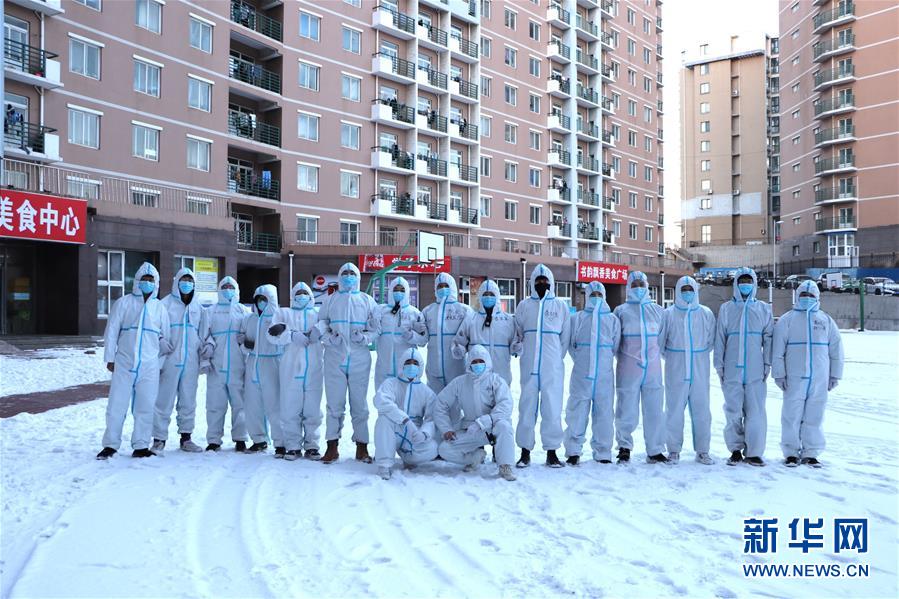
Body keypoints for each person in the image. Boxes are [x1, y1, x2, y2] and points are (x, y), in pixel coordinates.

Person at [97, 263, 172, 459]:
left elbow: (165, 335)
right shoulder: (124, 303)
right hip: (124, 362)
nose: (147, 283)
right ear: (137, 281)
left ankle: (140, 445)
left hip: (149, 365)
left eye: (151, 280)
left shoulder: (159, 308)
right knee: (117, 404)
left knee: (146, 406)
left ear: (156, 283)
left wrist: (160, 357)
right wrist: (110, 358)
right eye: (144, 279)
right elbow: (111, 331)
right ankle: (111, 444)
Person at [772, 281, 843, 468]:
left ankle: (811, 453)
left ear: (818, 297)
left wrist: (835, 374)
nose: (807, 298)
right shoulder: (787, 319)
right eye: (803, 294)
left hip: (819, 377)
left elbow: (836, 350)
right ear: (797, 296)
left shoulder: (825, 320)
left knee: (815, 415)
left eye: (811, 295)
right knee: (791, 415)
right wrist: (779, 374)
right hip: (794, 377)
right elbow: (777, 350)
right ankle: (791, 453)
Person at [318, 263, 379, 464]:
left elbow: (375, 328)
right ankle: (332, 446)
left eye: (352, 273)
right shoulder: (331, 300)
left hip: (359, 358)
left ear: (358, 277)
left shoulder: (367, 301)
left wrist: (365, 338)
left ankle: (362, 446)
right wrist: (329, 339)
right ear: (339, 276)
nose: (349, 276)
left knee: (360, 404)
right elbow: (322, 324)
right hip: (334, 357)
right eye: (345, 273)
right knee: (334, 404)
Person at [714, 267, 773, 467]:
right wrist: (719, 365)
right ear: (736, 284)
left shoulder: (763, 309)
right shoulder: (727, 309)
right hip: (731, 368)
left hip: (755, 368)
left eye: (749, 281)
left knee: (756, 411)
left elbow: (769, 339)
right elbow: (720, 338)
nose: (745, 284)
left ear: (754, 284)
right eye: (742, 281)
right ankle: (735, 450)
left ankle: (754, 452)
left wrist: (767, 363)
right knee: (733, 411)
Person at [513, 264, 571, 468]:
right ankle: (525, 451)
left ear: (551, 282)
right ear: (532, 283)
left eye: (545, 281)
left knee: (552, 407)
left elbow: (565, 338)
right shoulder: (524, 305)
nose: (541, 284)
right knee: (526, 408)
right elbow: (518, 332)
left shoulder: (560, 306)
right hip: (529, 365)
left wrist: (555, 358)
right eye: (537, 281)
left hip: (551, 367)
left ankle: (552, 452)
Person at [434, 345, 517, 481]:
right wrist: (446, 429)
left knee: (505, 426)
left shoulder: (496, 381)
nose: (477, 364)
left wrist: (485, 421)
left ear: (487, 362)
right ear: (469, 363)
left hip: (493, 427)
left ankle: (505, 466)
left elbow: (505, 406)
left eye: (481, 361)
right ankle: (474, 457)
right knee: (444, 449)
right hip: (472, 430)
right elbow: (440, 404)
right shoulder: (459, 383)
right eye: (474, 361)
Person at [563, 281, 621, 465]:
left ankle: (603, 451)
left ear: (603, 295)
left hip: (604, 375)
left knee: (604, 413)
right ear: (586, 296)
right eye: (592, 294)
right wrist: (582, 360)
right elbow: (571, 345)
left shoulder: (612, 320)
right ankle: (573, 451)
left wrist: (602, 362)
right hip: (581, 374)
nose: (595, 298)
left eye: (599, 294)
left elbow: (615, 346)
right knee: (577, 412)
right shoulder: (577, 319)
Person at [152, 268, 208, 454]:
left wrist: (206, 346)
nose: (186, 284)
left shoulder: (198, 308)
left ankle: (186, 438)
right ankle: (159, 439)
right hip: (169, 359)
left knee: (188, 400)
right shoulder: (164, 304)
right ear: (176, 282)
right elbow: (154, 327)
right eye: (183, 280)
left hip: (190, 361)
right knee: (163, 400)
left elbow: (205, 332)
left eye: (189, 280)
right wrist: (160, 341)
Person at [661, 276, 716, 465]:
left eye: (690, 288)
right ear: (677, 291)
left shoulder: (705, 313)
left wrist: (697, 355)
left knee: (702, 410)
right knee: (674, 410)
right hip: (676, 367)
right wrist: (675, 357)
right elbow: (661, 342)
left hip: (699, 366)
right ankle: (673, 450)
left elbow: (711, 340)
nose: (687, 292)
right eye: (683, 289)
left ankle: (703, 451)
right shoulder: (668, 314)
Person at [614, 271, 668, 464]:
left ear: (647, 286)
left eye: (641, 283)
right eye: (634, 284)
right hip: (628, 368)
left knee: (654, 409)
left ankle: (655, 449)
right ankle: (624, 446)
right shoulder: (621, 311)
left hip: (653, 368)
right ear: (629, 286)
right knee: (626, 408)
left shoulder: (658, 311)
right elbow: (614, 340)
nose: (638, 287)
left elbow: (664, 339)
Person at [267, 282, 324, 461]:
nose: (301, 296)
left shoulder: (317, 314)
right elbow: (271, 334)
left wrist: (318, 330)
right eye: (298, 293)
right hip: (290, 367)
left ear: (310, 295)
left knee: (313, 408)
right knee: (290, 407)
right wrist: (290, 335)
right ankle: (292, 446)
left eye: (304, 293)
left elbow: (327, 325)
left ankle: (312, 445)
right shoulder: (284, 313)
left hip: (314, 367)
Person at [373, 348, 439, 479]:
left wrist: (424, 433)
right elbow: (381, 401)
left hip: (413, 433)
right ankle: (384, 464)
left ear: (420, 367)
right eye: (408, 362)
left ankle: (409, 458)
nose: (411, 366)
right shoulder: (390, 384)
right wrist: (404, 419)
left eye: (415, 363)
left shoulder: (426, 392)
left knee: (432, 447)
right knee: (383, 420)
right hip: (394, 428)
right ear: (402, 364)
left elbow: (431, 418)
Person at [203, 276, 250, 452]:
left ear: (236, 289)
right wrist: (208, 345)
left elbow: (250, 333)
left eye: (231, 287)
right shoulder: (211, 311)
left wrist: (245, 340)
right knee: (215, 404)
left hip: (238, 365)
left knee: (240, 403)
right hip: (217, 364)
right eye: (225, 286)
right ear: (219, 289)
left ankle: (240, 438)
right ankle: (214, 440)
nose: (228, 289)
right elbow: (204, 333)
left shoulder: (244, 311)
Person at [240, 284, 285, 455]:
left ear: (272, 300)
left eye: (264, 299)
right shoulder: (250, 319)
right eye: (258, 300)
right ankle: (258, 439)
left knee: (274, 405)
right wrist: (245, 345)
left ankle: (281, 442)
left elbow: (286, 339)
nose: (261, 303)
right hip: (253, 363)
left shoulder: (278, 317)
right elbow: (242, 338)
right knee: (252, 404)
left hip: (272, 363)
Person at [452, 279, 517, 386]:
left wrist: (516, 347)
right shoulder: (471, 319)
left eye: (491, 294)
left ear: (497, 296)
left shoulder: (508, 320)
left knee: (502, 401)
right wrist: (459, 349)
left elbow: (516, 343)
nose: (488, 297)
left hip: (501, 375)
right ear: (480, 296)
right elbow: (459, 341)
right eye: (485, 294)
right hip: (477, 376)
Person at [418, 273, 473, 394]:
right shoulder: (428, 311)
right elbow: (422, 339)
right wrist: (415, 332)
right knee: (435, 404)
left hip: (457, 366)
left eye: (446, 285)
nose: (443, 289)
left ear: (452, 287)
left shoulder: (463, 310)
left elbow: (470, 337)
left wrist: (461, 347)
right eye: (440, 286)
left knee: (456, 402)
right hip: (434, 368)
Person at [373, 276, 425, 387]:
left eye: (402, 290)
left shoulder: (415, 313)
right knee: (383, 398)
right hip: (384, 366)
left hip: (407, 368)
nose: (398, 292)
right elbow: (373, 331)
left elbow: (423, 340)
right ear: (390, 290)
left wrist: (412, 336)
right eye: (396, 289)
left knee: (406, 400)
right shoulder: (381, 310)